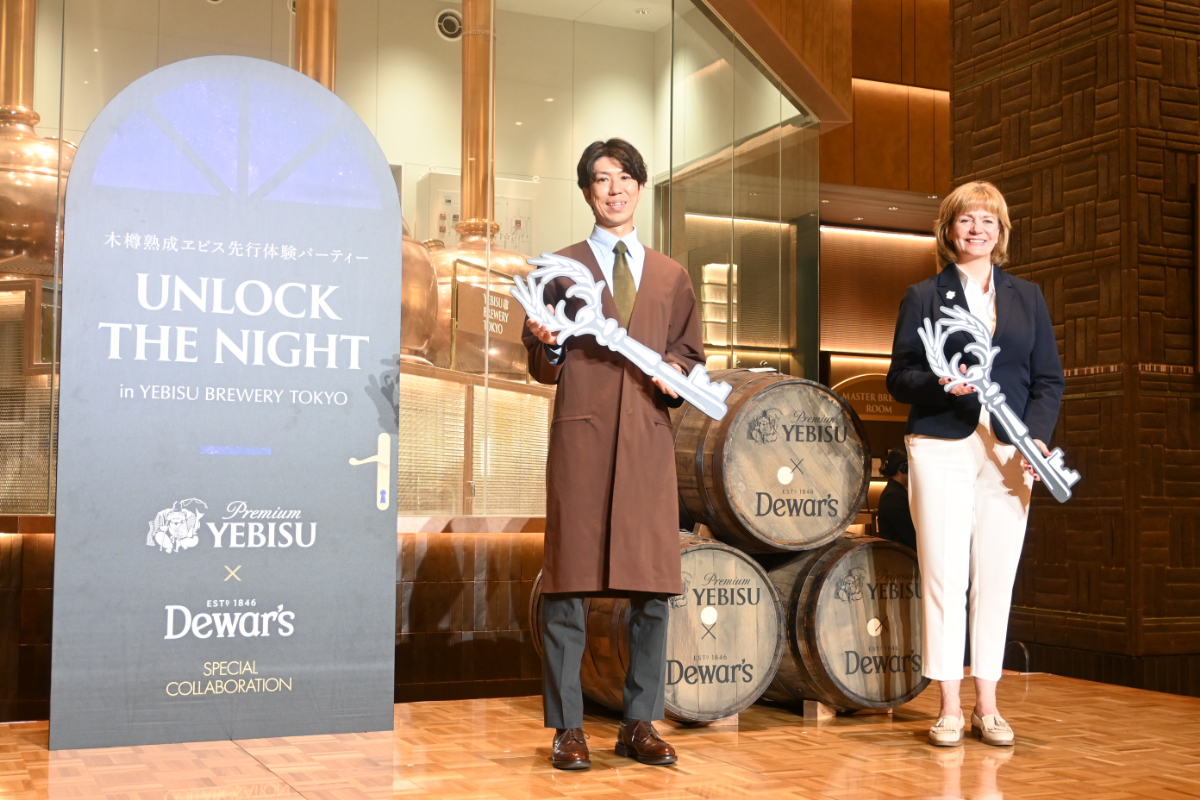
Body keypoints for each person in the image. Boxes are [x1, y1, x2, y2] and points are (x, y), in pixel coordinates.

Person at [523, 138, 705, 770]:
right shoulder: (558, 268)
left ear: (639, 187)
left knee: (652, 589)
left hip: (647, 443)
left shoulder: (672, 275)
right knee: (567, 586)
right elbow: (541, 363)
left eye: (625, 177)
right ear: (586, 192)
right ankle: (568, 728)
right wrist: (548, 343)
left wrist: (675, 373)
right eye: (602, 179)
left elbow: (690, 353)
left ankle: (638, 722)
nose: (614, 188)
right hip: (582, 438)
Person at [886, 181, 1064, 748]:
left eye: (988, 220)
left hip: (1010, 450)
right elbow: (899, 378)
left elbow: (1048, 380)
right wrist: (941, 383)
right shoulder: (922, 295)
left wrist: (1035, 439)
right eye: (967, 219)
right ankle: (947, 705)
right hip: (942, 443)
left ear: (1001, 231)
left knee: (996, 577)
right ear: (949, 229)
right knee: (943, 574)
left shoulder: (1027, 297)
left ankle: (988, 704)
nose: (977, 229)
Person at [875, 448, 917, 552]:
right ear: (903, 468)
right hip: (900, 557)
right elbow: (910, 534)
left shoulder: (897, 492)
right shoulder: (893, 496)